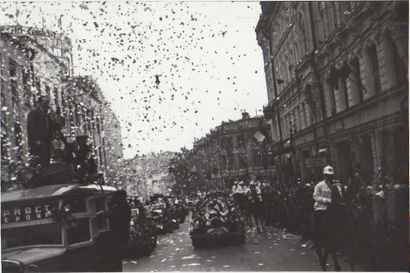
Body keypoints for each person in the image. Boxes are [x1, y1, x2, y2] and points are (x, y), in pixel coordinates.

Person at [312, 165, 341, 271]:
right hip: (321, 208)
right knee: (318, 221)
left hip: (332, 209)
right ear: (324, 175)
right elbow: (315, 196)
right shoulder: (319, 185)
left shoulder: (335, 185)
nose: (329, 177)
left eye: (331, 175)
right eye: (327, 175)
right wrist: (326, 201)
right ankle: (316, 238)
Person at [27, 96, 52, 167]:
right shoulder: (33, 113)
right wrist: (36, 140)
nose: (47, 104)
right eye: (45, 102)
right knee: (40, 161)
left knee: (46, 160)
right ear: (39, 103)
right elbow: (31, 128)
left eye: (48, 102)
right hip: (39, 142)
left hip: (46, 141)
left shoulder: (45, 113)